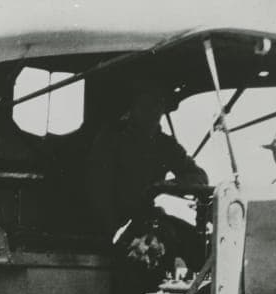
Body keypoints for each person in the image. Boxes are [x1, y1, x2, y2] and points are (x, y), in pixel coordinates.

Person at [86, 81, 210, 241]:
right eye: (147, 104)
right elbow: (97, 190)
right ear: (134, 107)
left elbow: (198, 176)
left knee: (196, 242)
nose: (154, 111)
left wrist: (168, 186)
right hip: (115, 224)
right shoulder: (111, 139)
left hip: (147, 219)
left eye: (159, 104)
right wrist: (110, 233)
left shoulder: (165, 145)